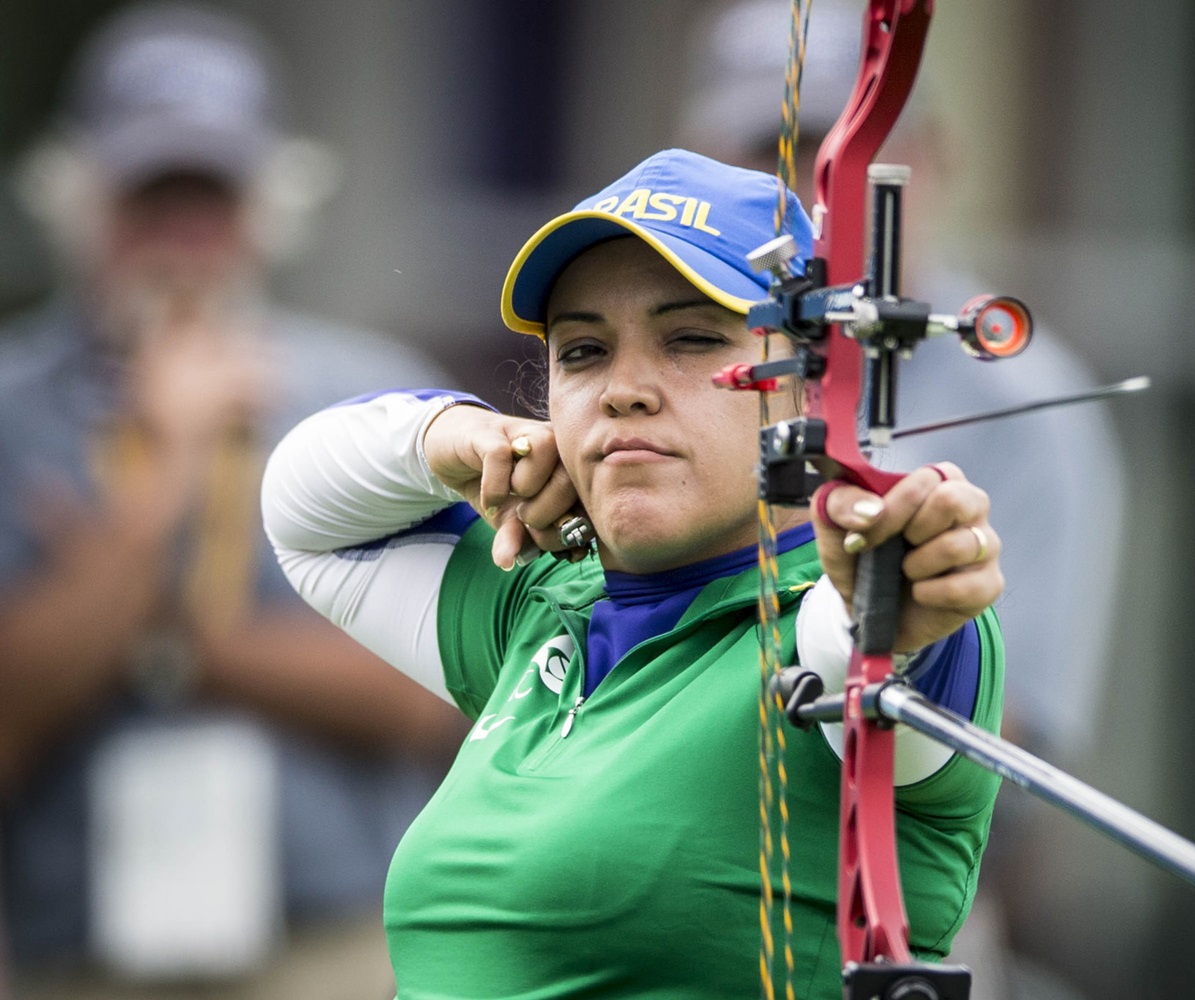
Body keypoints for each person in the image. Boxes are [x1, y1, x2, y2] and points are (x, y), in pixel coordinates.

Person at [261, 147, 1007, 999]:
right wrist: (453, 437)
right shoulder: (540, 600)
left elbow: (868, 637)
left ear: (815, 386)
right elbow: (301, 513)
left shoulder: (825, 626)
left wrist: (898, 583)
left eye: (691, 338)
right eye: (582, 351)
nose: (624, 389)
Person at [0, 5, 467, 997]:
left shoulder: (376, 397)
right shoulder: (9, 404)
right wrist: (170, 463)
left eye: (207, 200)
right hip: (76, 961)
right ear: (76, 196)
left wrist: (159, 639)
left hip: (331, 949)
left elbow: (427, 692)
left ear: (268, 206)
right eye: (148, 200)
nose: (179, 240)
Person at [679, 4, 1129, 997]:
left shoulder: (1018, 404)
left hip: (882, 916)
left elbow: (1007, 753)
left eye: (862, 151)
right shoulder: (670, 369)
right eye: (779, 152)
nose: (817, 191)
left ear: (934, 162)